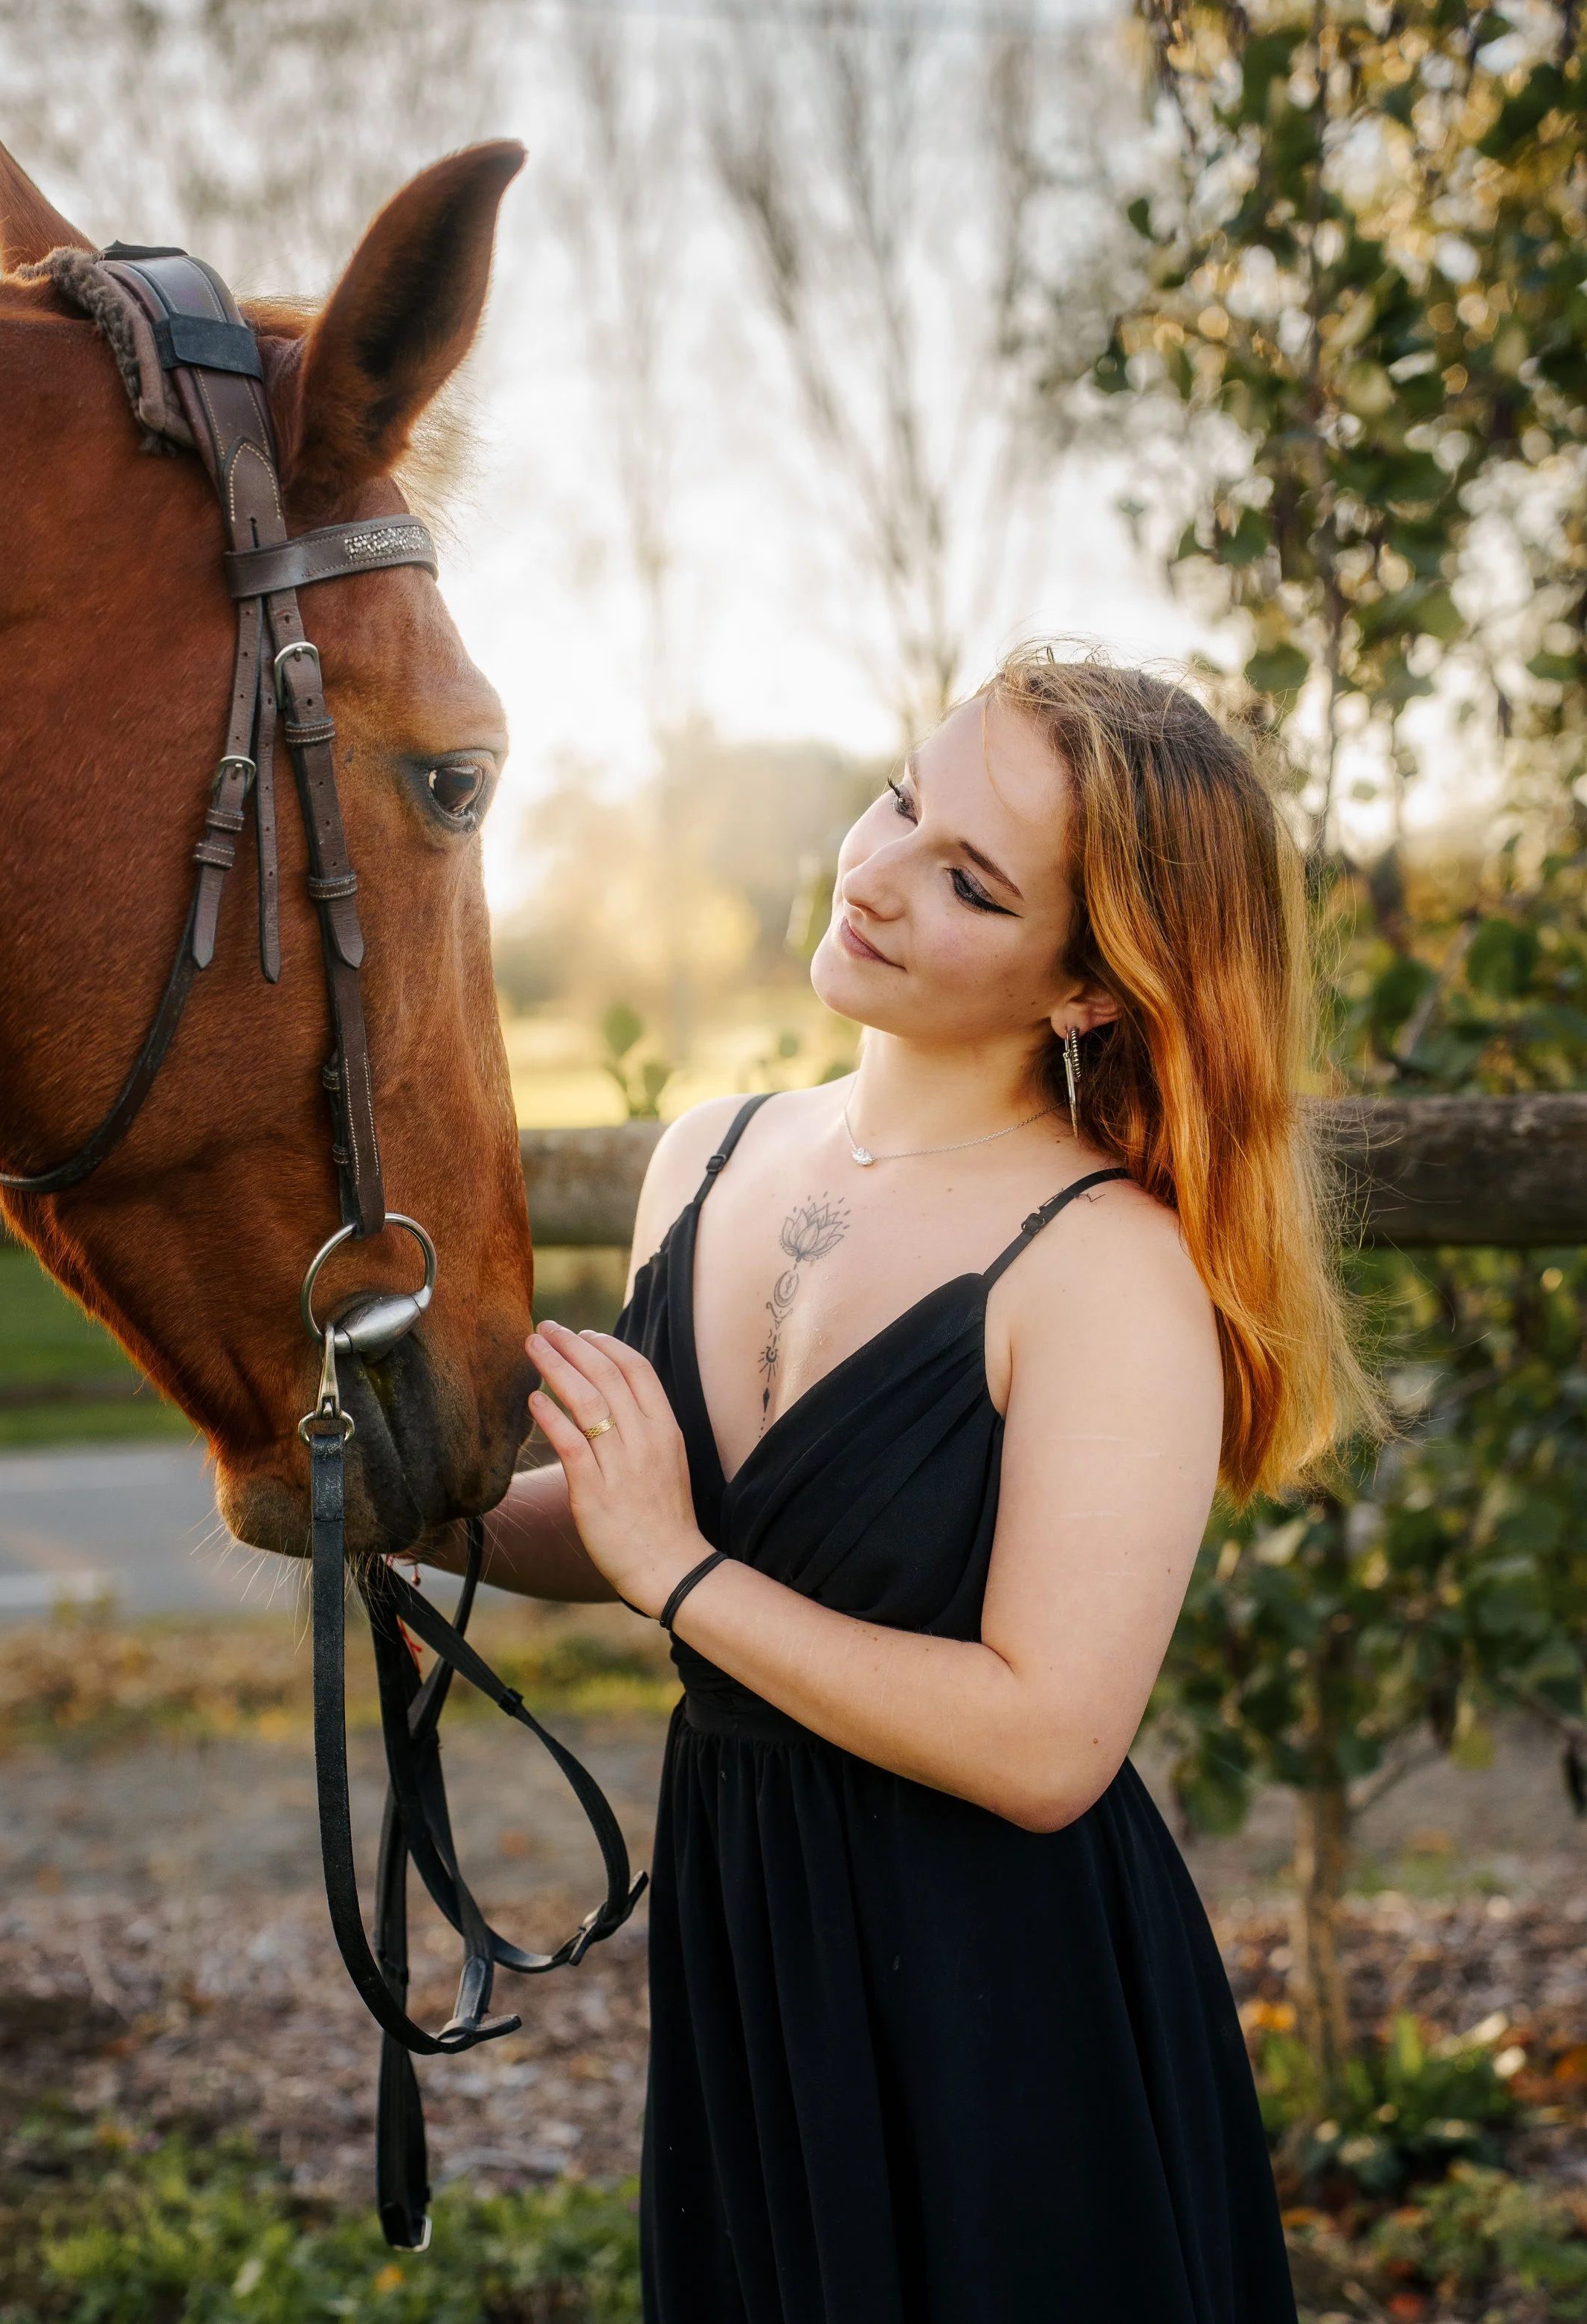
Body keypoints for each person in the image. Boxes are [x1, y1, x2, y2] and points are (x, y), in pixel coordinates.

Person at [468, 650, 1374, 2323]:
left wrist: (676, 1575)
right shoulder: (705, 1150)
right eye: (899, 800)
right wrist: (398, 1509)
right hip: (745, 1928)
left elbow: (1045, 1744)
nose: (876, 873)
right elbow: (631, 1526)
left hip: (999, 1982)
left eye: (967, 879)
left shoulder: (1101, 1261)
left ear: (1087, 988)